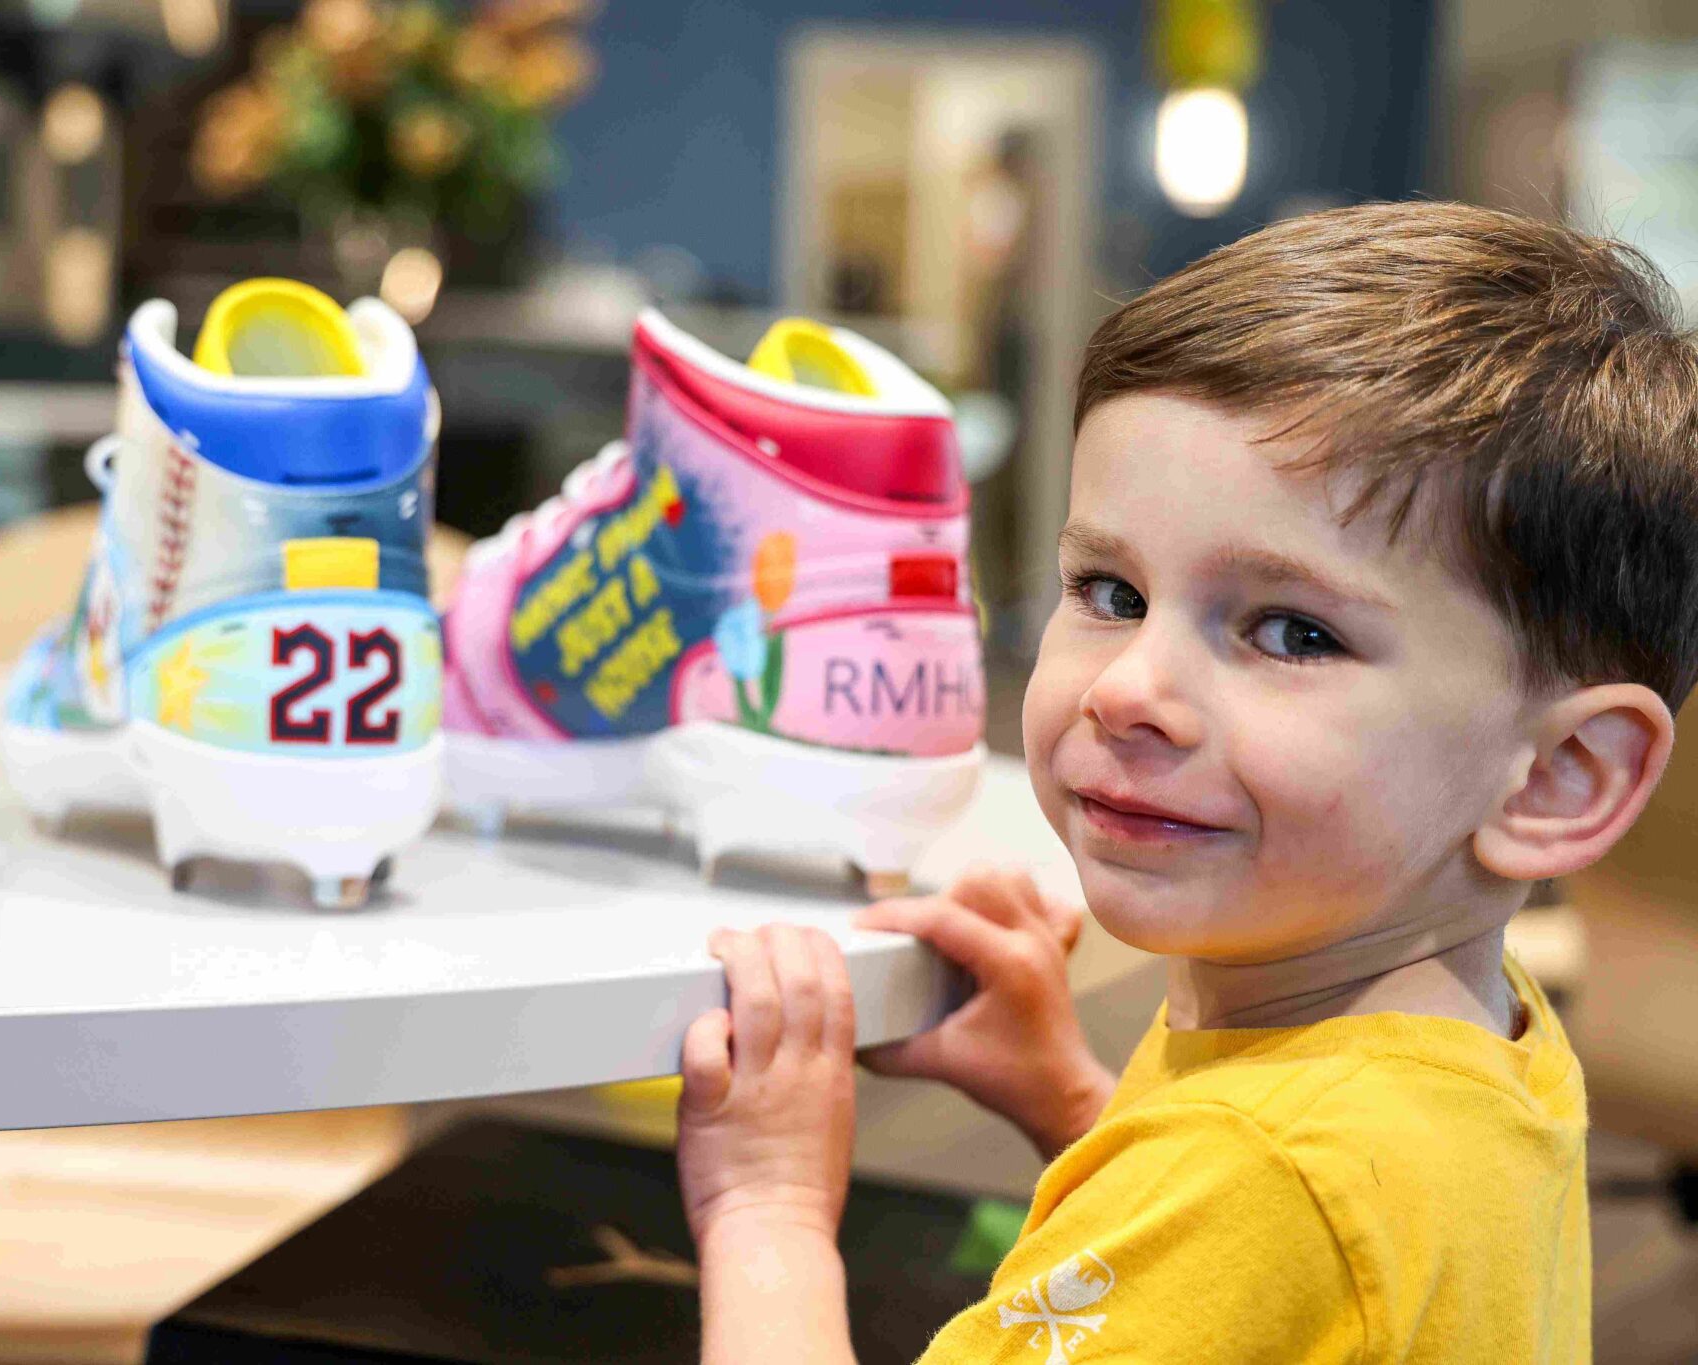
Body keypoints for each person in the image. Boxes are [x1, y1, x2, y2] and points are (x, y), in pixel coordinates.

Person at [675, 201, 1698, 1363]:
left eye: (1290, 633)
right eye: (1109, 592)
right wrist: (1067, 1095)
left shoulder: (1272, 1181)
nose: (1126, 691)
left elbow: (1263, 1209)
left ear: (1556, 778)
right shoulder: (1467, 1035)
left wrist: (767, 1212)